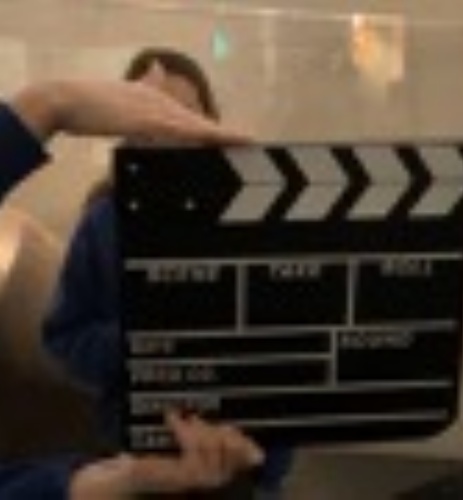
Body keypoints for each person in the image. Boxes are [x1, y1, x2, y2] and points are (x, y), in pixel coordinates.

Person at [42, 48, 292, 499]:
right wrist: (146, 342)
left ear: (209, 122)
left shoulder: (256, 217)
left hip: (240, 457)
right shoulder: (103, 222)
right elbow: (66, 340)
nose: (170, 132)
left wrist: (269, 472)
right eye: (152, 117)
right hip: (136, 458)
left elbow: (288, 343)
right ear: (125, 129)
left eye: (183, 115)